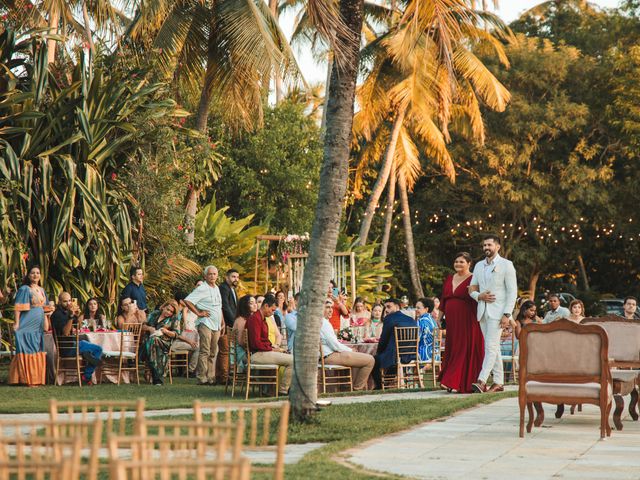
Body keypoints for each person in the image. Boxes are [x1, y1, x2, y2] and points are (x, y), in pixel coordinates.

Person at [469, 235, 517, 394]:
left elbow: (512, 292)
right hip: (482, 311)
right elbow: (472, 288)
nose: (486, 248)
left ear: (497, 247)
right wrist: (478, 296)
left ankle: (481, 381)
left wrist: (507, 314)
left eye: (489, 245)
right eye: (484, 245)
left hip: (499, 312)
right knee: (493, 348)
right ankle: (498, 383)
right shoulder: (478, 266)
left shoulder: (506, 265)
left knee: (490, 347)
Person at [438, 253, 484, 394]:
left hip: (468, 320)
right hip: (452, 321)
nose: (458, 264)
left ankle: (453, 381)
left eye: (462, 262)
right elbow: (443, 300)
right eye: (456, 261)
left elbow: (478, 298)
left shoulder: (474, 278)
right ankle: (452, 381)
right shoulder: (450, 278)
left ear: (469, 263)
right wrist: (439, 318)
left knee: (463, 349)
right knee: (453, 348)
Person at [9, 266, 52, 386]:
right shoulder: (24, 289)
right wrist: (17, 323)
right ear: (28, 275)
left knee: (36, 348)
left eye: (38, 273)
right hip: (27, 324)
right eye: (32, 273)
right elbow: (18, 308)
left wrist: (50, 310)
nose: (35, 275)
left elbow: (46, 307)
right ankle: (28, 380)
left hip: (38, 324)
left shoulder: (41, 290)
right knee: (28, 349)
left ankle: (36, 379)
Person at [50, 292, 103, 385]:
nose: (68, 303)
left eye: (70, 300)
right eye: (65, 301)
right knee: (98, 350)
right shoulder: (57, 315)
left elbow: (78, 327)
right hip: (67, 348)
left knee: (95, 348)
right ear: (59, 302)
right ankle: (86, 376)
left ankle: (87, 356)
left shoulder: (67, 312)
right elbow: (66, 333)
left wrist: (77, 315)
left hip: (74, 343)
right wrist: (71, 316)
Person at [320, 300, 375, 390]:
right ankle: (357, 389)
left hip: (327, 355)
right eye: (327, 307)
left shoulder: (320, 322)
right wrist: (350, 350)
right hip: (328, 356)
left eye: (331, 308)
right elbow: (335, 345)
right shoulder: (324, 323)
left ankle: (350, 388)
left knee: (358, 359)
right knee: (370, 360)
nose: (331, 310)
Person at [246, 293, 292, 395]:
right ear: (266, 306)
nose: (272, 313)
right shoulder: (255, 319)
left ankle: (279, 388)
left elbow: (263, 340)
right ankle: (283, 390)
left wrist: (274, 347)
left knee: (290, 356)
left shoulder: (262, 319)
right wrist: (271, 349)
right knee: (293, 361)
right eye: (272, 310)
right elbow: (256, 343)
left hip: (262, 352)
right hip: (257, 355)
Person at [185, 265, 223, 385]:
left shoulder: (216, 287)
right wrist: (198, 313)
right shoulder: (202, 288)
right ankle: (202, 377)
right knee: (205, 350)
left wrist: (222, 321)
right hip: (205, 323)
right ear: (205, 276)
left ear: (217, 275)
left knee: (213, 351)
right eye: (210, 274)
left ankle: (211, 377)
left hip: (216, 324)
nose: (212, 276)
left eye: (214, 274)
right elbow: (188, 300)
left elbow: (219, 307)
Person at [143, 300, 196, 385]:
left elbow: (176, 334)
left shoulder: (174, 318)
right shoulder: (154, 314)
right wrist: (149, 329)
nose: (169, 312)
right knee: (153, 342)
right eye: (167, 309)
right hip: (149, 340)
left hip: (165, 341)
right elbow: (143, 326)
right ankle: (157, 378)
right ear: (163, 307)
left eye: (171, 311)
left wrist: (166, 332)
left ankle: (154, 375)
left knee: (154, 341)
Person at [371, 298, 417, 390]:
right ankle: (387, 384)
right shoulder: (411, 319)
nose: (386, 310)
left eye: (389, 307)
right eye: (385, 307)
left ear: (397, 307)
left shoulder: (389, 319)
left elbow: (383, 341)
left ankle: (380, 386)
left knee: (373, 360)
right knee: (388, 359)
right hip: (410, 355)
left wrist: (379, 353)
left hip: (394, 357)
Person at [217, 269, 239, 386]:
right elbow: (225, 307)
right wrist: (235, 322)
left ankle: (223, 375)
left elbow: (235, 307)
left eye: (237, 277)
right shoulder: (224, 288)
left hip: (231, 324)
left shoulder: (233, 289)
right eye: (233, 277)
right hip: (225, 324)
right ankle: (223, 377)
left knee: (226, 351)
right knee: (224, 351)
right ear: (227, 277)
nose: (236, 279)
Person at [170, 291, 199, 375]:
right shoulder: (175, 313)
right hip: (172, 343)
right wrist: (189, 341)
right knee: (197, 348)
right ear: (181, 301)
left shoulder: (180, 313)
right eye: (186, 300)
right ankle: (190, 371)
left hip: (177, 341)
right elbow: (176, 333)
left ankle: (188, 370)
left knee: (196, 344)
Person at [232, 295, 257, 373]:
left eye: (255, 302)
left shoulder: (250, 318)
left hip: (248, 351)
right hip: (242, 353)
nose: (255, 305)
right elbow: (241, 342)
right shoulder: (241, 320)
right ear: (245, 305)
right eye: (251, 303)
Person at [415, 298, 438, 363]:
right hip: (435, 354)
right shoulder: (433, 321)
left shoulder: (421, 321)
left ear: (426, 309)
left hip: (424, 354)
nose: (416, 310)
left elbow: (416, 339)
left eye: (418, 308)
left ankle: (408, 371)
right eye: (415, 307)